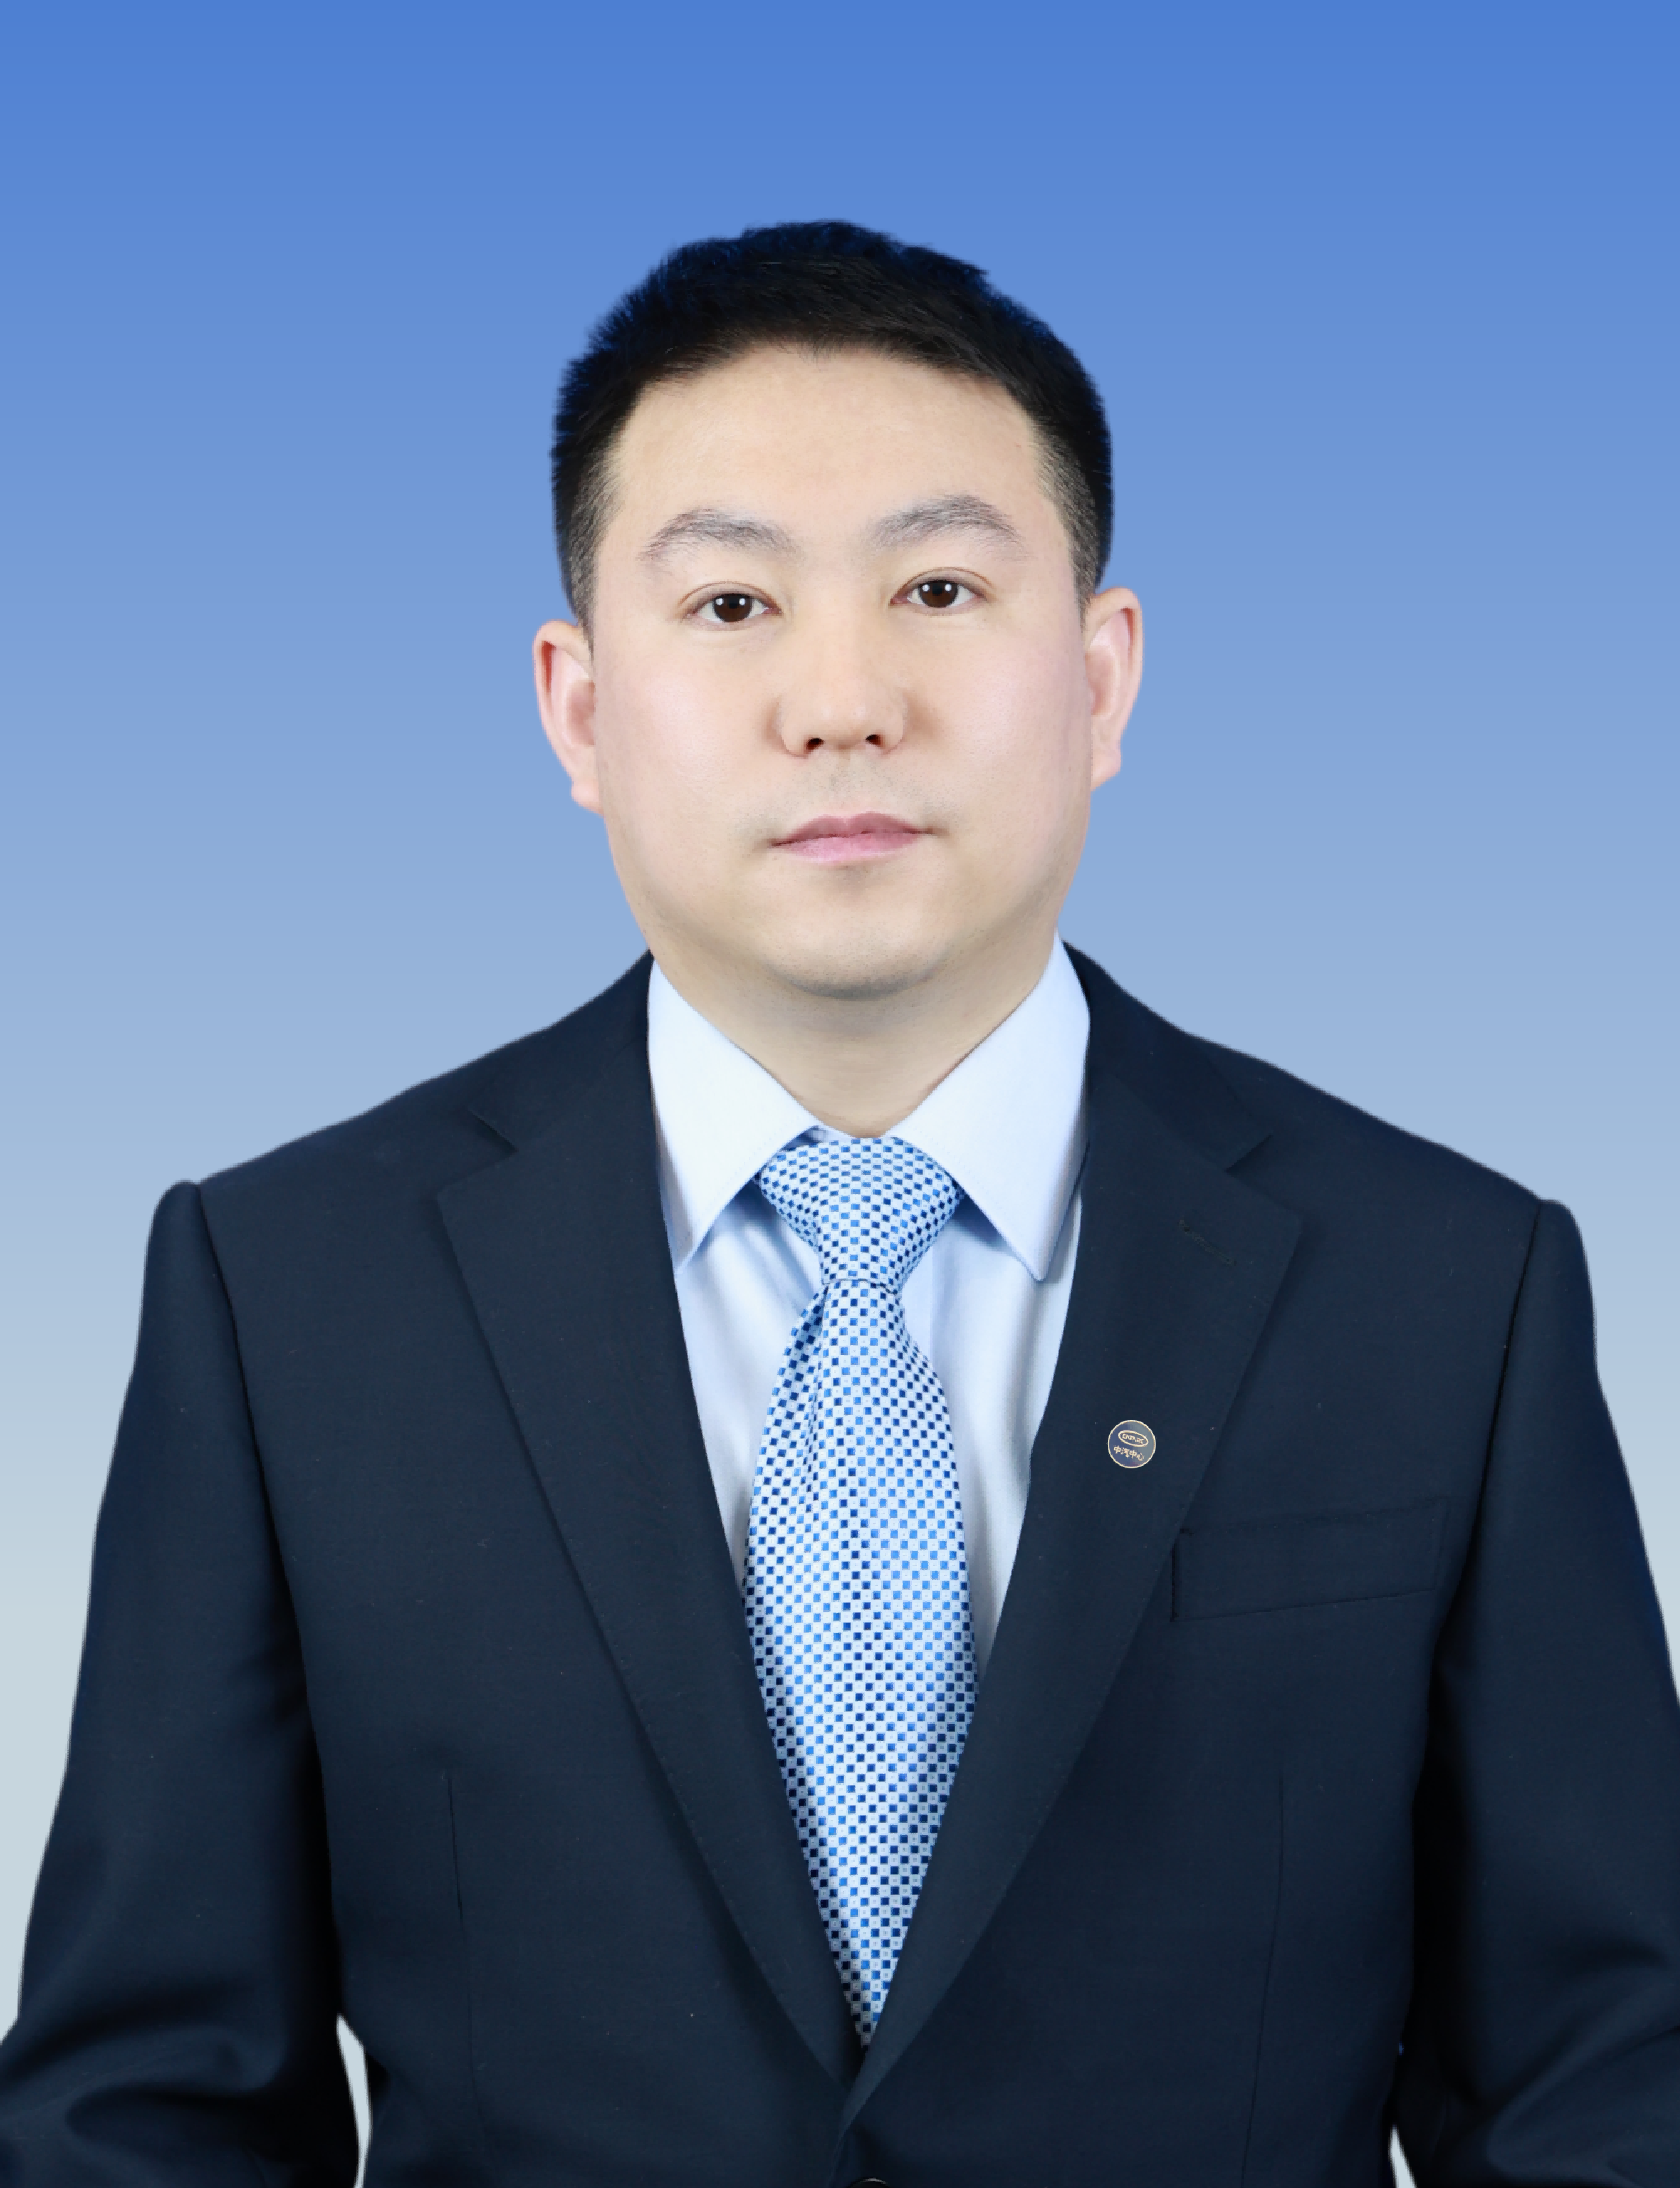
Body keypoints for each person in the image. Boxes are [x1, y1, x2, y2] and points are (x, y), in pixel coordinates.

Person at [1, 221, 1676, 2188]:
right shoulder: (292, 1296)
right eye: (730, 603)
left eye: (939, 587)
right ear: (577, 708)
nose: (842, 700)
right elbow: (145, 2109)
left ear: (1103, 677)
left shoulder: (1443, 1288)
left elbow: (1606, 2083)